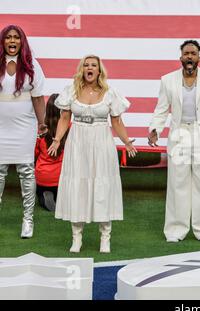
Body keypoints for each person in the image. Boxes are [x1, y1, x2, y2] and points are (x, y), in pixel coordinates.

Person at [48, 54, 137, 253]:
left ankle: (105, 238)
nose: (89, 68)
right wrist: (56, 140)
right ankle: (76, 238)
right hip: (77, 141)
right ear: (82, 69)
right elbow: (64, 118)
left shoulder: (110, 92)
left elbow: (116, 122)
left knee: (102, 186)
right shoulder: (71, 90)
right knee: (77, 186)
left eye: (93, 65)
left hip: (101, 141)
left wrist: (126, 142)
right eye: (86, 65)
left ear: (99, 70)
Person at [148, 40, 200, 243]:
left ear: (199, 57)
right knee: (177, 184)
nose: (190, 56)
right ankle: (175, 230)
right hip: (179, 134)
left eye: (193, 53)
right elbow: (161, 108)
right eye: (186, 53)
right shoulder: (168, 80)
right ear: (180, 57)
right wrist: (155, 129)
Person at [0, 25, 46, 238]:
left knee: (26, 171)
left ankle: (28, 220)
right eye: (8, 37)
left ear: (22, 41)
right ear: (3, 41)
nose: (12, 41)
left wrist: (42, 123)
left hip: (24, 126)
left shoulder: (32, 66)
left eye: (16, 37)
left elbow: (37, 98)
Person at [34, 94, 69, 212]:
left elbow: (34, 153)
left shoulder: (41, 131)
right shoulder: (69, 128)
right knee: (63, 190)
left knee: (40, 191)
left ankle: (44, 196)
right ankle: (59, 197)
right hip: (61, 176)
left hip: (43, 176)